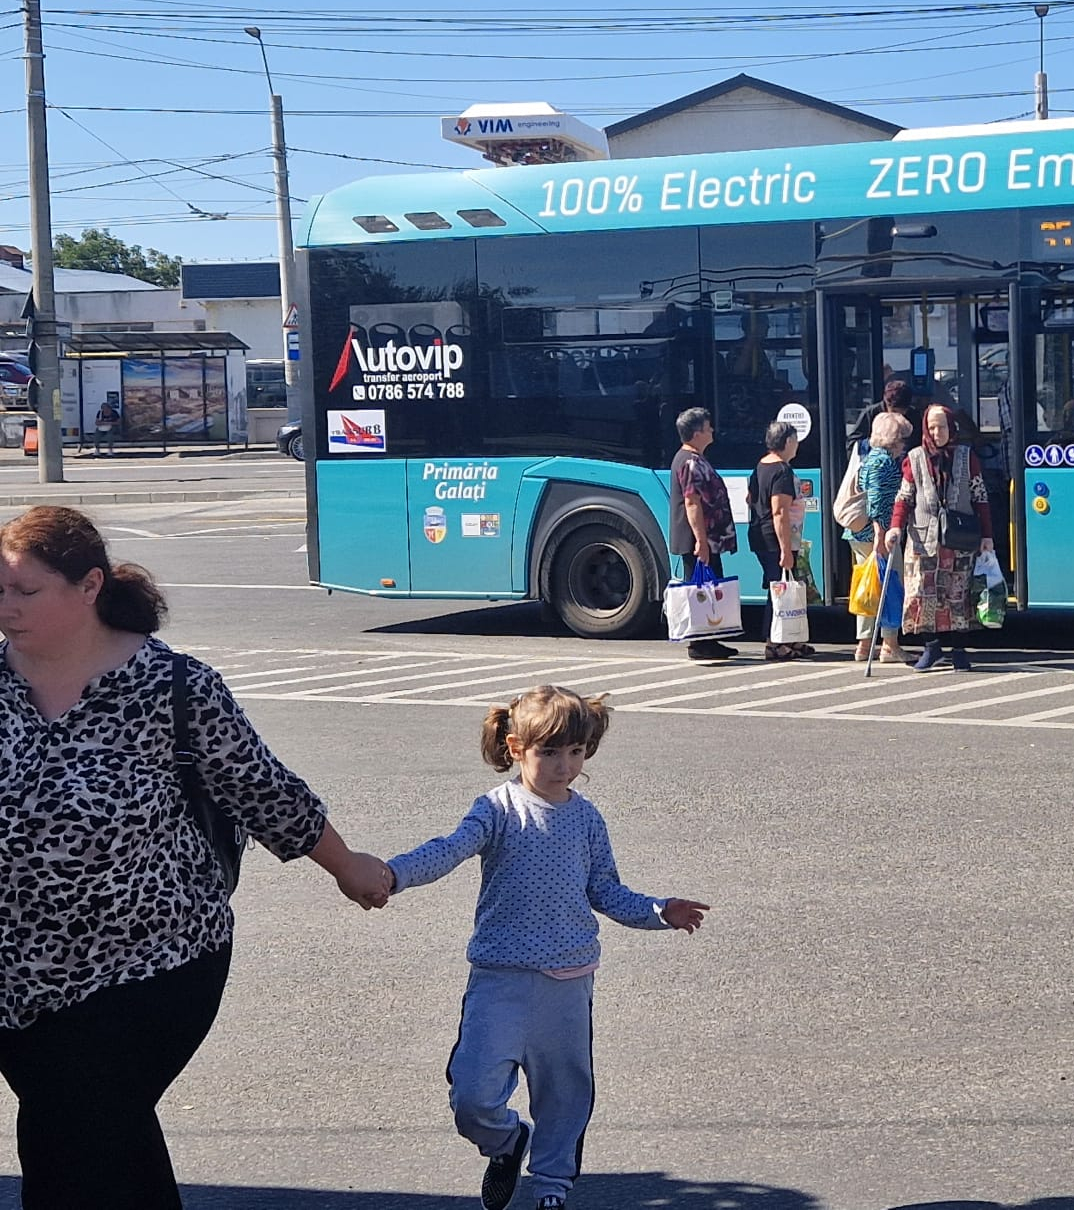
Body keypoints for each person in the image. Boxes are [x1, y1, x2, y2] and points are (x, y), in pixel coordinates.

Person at [0, 504, 392, 1210]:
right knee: (109, 1148)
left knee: (67, 1146)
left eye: (24, 592)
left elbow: (265, 792)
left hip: (154, 964)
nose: (6, 607)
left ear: (89, 587)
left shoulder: (174, 689)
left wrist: (348, 866)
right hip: (19, 982)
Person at [384, 685, 708, 1210]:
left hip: (569, 982)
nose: (564, 766)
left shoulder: (587, 819)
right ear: (516, 748)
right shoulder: (498, 809)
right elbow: (448, 851)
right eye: (549, 752)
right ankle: (508, 1142)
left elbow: (605, 890)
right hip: (500, 981)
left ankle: (551, 1189)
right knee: (472, 1096)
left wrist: (659, 910)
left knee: (564, 1098)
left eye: (576, 752)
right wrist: (392, 874)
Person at [884, 403, 995, 672]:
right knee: (923, 595)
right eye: (932, 427)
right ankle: (931, 647)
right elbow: (904, 498)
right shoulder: (915, 458)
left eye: (941, 426)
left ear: (951, 427)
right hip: (924, 539)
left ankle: (958, 651)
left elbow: (980, 498)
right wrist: (895, 527)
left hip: (960, 540)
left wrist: (987, 536)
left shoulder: (967, 457)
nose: (936, 432)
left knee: (958, 596)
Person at [667, 407, 738, 661]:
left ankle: (709, 639)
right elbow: (692, 502)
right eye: (708, 428)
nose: (712, 431)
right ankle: (699, 643)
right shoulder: (689, 461)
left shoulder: (693, 458)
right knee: (700, 588)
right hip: (698, 539)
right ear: (697, 433)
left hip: (706, 538)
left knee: (708, 587)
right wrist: (701, 540)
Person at [747, 418, 816, 662]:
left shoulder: (761, 466)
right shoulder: (782, 471)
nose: (797, 446)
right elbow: (780, 511)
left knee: (778, 588)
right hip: (775, 540)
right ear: (787, 442)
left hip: (759, 535)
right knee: (778, 589)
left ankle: (787, 639)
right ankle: (775, 642)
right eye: (795, 441)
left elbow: (750, 499)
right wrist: (785, 549)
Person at [848, 410, 912, 663]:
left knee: (868, 588)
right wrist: (881, 535)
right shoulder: (883, 462)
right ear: (894, 439)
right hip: (879, 535)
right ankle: (889, 644)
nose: (904, 444)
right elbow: (876, 501)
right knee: (889, 586)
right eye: (902, 438)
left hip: (861, 533)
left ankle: (864, 645)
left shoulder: (869, 458)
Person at [848, 377, 915, 448]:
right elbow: (853, 443)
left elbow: (917, 442)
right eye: (894, 412)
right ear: (887, 404)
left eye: (902, 414)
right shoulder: (870, 413)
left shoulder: (913, 415)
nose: (897, 417)